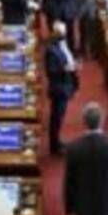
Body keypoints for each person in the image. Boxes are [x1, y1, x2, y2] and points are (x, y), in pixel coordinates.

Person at [45, 21, 78, 154]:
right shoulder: (51, 50)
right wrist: (65, 68)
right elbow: (51, 71)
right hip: (58, 88)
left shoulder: (61, 45)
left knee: (60, 116)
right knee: (56, 118)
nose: (64, 34)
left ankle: (57, 141)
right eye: (62, 32)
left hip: (65, 86)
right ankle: (54, 146)